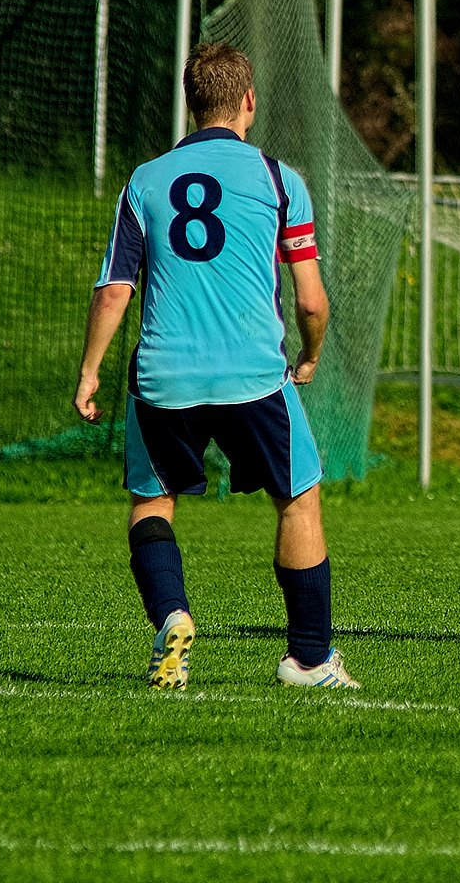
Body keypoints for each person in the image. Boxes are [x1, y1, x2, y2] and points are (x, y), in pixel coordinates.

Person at [73, 41, 359, 691]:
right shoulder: (279, 180)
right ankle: (309, 659)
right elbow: (311, 301)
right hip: (253, 376)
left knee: (153, 501)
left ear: (190, 102)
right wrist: (311, 356)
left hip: (163, 377)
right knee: (298, 502)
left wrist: (90, 372)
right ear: (249, 101)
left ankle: (172, 616)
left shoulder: (144, 181)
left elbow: (115, 290)